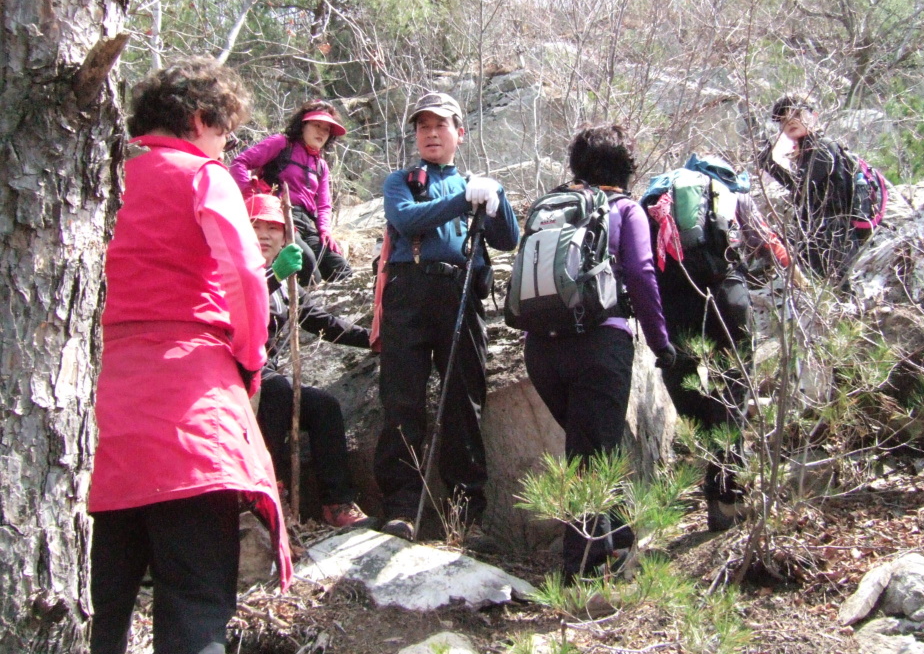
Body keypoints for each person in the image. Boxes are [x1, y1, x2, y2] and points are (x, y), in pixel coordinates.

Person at [89, 57, 291, 654]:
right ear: (200, 119)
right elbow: (246, 279)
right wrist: (249, 364)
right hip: (190, 415)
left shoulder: (96, 176)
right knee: (195, 607)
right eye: (224, 131)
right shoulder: (202, 176)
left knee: (93, 614)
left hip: (97, 417)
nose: (226, 147)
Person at [524, 124, 675, 580]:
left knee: (589, 448)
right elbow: (644, 275)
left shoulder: (550, 206)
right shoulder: (625, 209)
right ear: (626, 167)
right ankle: (583, 574)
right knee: (590, 459)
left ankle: (617, 538)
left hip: (541, 350)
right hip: (599, 345)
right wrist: (661, 342)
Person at [374, 91, 519, 546]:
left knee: (463, 402)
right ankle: (402, 509)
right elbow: (407, 220)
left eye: (440, 126)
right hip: (409, 291)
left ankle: (466, 516)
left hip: (461, 293)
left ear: (460, 132)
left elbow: (508, 238)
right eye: (422, 127)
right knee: (402, 400)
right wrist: (464, 201)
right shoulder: (400, 181)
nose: (431, 134)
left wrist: (496, 197)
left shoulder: (476, 182)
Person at [650, 154, 799, 531]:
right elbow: (769, 245)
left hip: (674, 300)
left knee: (687, 388)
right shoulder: (734, 197)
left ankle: (707, 463)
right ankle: (728, 498)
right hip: (726, 297)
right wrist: (799, 278)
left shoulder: (657, 193)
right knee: (732, 394)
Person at [246, 193, 375, 529]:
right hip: (235, 375)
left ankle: (336, 502)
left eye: (273, 227)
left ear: (287, 236)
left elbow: (322, 323)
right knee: (275, 394)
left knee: (323, 407)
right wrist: (273, 274)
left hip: (266, 375)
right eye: (255, 225)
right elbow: (237, 307)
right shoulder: (232, 269)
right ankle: (270, 499)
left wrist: (374, 339)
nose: (263, 234)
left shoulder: (287, 284)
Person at [230, 99, 351, 284]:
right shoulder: (281, 144)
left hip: (308, 223)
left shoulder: (321, 165)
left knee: (339, 267)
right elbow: (240, 162)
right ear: (302, 125)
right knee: (307, 264)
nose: (321, 132)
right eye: (316, 125)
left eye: (326, 129)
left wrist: (324, 230)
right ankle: (297, 310)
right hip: (280, 216)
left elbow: (324, 204)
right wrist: (251, 199)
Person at [758, 94, 862, 283]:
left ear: (813, 115)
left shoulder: (823, 147)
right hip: (816, 232)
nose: (790, 121)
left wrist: (768, 163)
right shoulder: (806, 152)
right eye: (783, 119)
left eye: (797, 113)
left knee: (835, 289)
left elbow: (802, 187)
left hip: (834, 234)